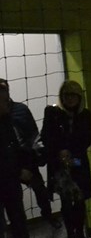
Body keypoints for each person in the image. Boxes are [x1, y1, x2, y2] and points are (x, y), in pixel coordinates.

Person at [0, 80, 55, 238]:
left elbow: (16, 147)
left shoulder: (7, 118)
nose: (8, 103)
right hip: (7, 178)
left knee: (19, 221)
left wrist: (25, 166)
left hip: (11, 181)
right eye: (4, 100)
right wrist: (19, 171)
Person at [0, 78, 59, 229]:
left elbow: (33, 134)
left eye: (5, 89)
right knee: (11, 201)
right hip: (7, 164)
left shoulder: (21, 109)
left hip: (26, 158)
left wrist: (36, 157)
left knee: (40, 190)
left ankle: (48, 216)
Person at [42, 81, 91, 238]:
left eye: (73, 95)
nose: (70, 99)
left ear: (79, 97)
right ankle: (71, 236)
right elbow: (46, 136)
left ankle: (80, 234)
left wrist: (72, 154)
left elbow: (87, 139)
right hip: (60, 166)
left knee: (79, 201)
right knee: (66, 203)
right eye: (67, 95)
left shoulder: (84, 115)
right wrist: (61, 152)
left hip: (78, 162)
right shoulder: (53, 113)